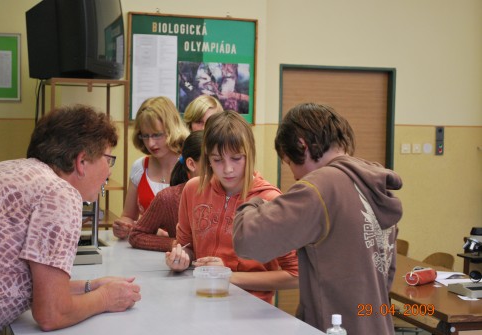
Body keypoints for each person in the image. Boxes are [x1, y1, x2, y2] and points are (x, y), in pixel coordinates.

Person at [232, 103, 403, 334]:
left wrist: (255, 198)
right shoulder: (373, 185)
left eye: (289, 162)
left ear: (302, 145)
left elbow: (248, 240)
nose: (293, 174)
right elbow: (387, 273)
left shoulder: (320, 187)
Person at [0, 105, 141, 335]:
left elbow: (43, 289)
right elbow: (51, 313)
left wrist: (89, 287)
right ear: (82, 161)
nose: (109, 172)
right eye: (108, 159)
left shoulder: (12, 171)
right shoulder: (59, 194)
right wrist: (106, 298)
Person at [165, 110, 299, 304]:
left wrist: (228, 276)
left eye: (237, 158)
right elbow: (186, 246)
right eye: (217, 160)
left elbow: (295, 275)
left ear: (250, 154)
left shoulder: (270, 200)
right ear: (207, 158)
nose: (227, 169)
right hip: (202, 300)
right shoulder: (193, 190)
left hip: (251, 309)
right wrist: (180, 257)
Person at [113, 96, 189, 239]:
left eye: (157, 135)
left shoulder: (191, 166)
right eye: (145, 136)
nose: (151, 143)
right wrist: (123, 227)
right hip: (144, 252)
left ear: (172, 128)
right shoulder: (140, 167)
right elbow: (128, 216)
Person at [129, 130, 204, 252]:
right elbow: (136, 235)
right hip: (183, 268)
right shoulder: (168, 198)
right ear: (191, 164)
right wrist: (174, 244)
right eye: (213, 161)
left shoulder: (230, 194)